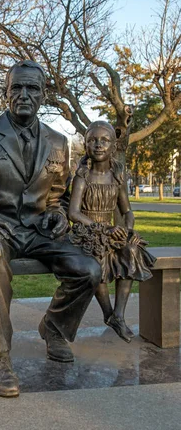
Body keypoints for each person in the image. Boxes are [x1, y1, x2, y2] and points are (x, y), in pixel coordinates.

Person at [0, 61, 101, 398]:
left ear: (43, 95)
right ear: (6, 93)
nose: (24, 95)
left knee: (89, 269)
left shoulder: (59, 141)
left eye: (32, 89)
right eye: (17, 88)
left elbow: (56, 194)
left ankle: (54, 328)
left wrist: (57, 213)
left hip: (39, 230)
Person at [68, 121, 156, 342]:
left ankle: (118, 314)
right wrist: (102, 228)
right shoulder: (82, 177)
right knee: (97, 257)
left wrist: (128, 230)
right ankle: (108, 312)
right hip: (87, 231)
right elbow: (73, 213)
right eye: (93, 140)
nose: (98, 145)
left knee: (131, 250)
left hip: (110, 231)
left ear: (113, 147)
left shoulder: (117, 178)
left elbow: (127, 211)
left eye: (104, 141)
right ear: (86, 146)